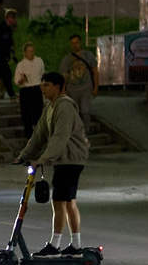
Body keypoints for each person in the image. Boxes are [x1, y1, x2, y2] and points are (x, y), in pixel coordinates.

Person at [14, 70, 93, 250]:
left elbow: (60, 137)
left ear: (57, 87)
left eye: (46, 85)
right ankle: (76, 246)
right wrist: (24, 156)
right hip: (64, 159)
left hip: (71, 158)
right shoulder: (50, 108)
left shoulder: (64, 106)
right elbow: (38, 136)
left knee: (59, 200)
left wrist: (43, 159)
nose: (42, 89)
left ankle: (55, 246)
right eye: (42, 85)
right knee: (68, 201)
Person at [14, 41, 47, 135]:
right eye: (29, 51)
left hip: (36, 88)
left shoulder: (39, 61)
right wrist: (21, 80)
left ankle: (39, 134)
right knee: (26, 114)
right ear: (25, 52)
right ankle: (28, 134)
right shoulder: (21, 65)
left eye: (32, 51)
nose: (31, 53)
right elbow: (17, 81)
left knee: (38, 112)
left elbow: (42, 74)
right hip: (26, 89)